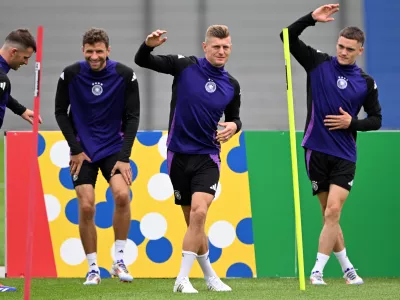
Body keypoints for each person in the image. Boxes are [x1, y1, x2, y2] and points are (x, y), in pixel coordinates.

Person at [280, 3, 382, 285]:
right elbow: (286, 36)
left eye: (350, 48)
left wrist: (353, 123)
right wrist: (311, 18)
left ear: (360, 50)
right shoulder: (318, 63)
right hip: (315, 149)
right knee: (329, 216)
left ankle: (317, 271)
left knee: (333, 211)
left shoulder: (365, 82)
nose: (343, 51)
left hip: (345, 154)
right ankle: (348, 268)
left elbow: (376, 119)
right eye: (341, 46)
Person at [135, 26, 241, 293]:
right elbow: (143, 60)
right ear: (205, 47)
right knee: (194, 222)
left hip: (208, 157)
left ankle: (181, 279)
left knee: (200, 212)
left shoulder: (232, 85)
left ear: (230, 49)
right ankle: (210, 276)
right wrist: (148, 45)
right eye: (216, 46)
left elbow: (235, 117)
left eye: (226, 47)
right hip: (178, 156)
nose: (221, 51)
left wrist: (234, 127)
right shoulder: (184, 66)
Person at [54, 28, 140, 285]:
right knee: (87, 205)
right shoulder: (70, 74)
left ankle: (119, 260)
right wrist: (75, 149)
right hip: (83, 150)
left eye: (99, 51)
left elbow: (133, 117)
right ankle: (93, 268)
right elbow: (60, 112)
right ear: (83, 50)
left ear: (108, 51)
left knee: (122, 196)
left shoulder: (125, 75)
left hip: (114, 148)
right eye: (90, 51)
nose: (94, 56)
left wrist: (125, 157)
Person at [0, 29, 42, 129]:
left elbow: (3, 94)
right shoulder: (1, 78)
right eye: (25, 57)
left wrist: (21, 110)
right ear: (14, 52)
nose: (26, 62)